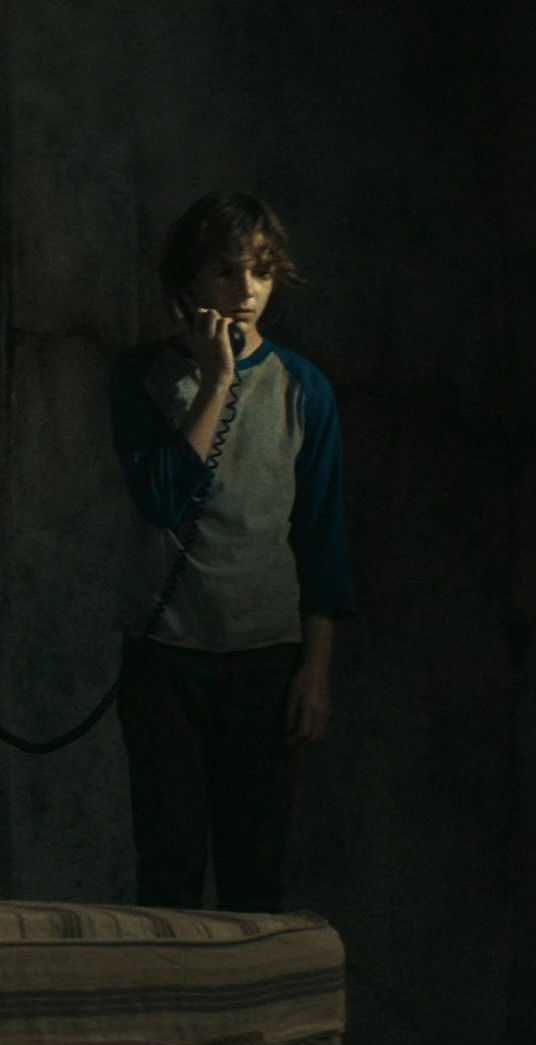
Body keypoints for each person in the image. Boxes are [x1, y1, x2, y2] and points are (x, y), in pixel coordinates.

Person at [108, 192, 358, 913]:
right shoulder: (141, 377)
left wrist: (316, 668)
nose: (246, 290)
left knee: (254, 868)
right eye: (226, 271)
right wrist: (216, 380)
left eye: (261, 271)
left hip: (264, 658)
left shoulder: (302, 388)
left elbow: (321, 532)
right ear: (189, 280)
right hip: (165, 655)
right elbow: (162, 498)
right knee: (169, 868)